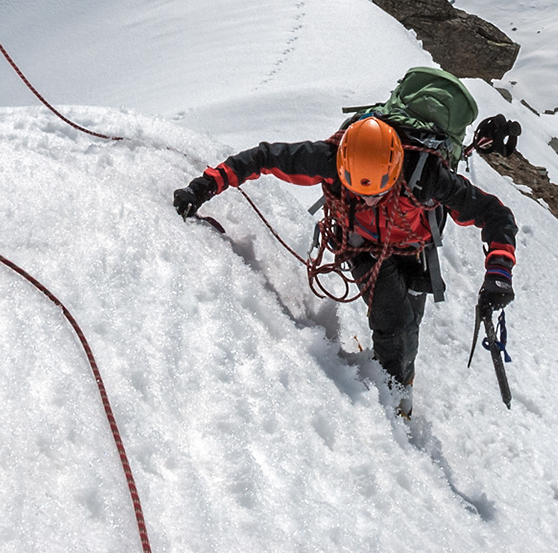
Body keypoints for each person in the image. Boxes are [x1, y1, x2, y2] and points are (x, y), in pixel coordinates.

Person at [172, 91, 521, 414]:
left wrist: (499, 275)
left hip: (413, 251)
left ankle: (400, 380)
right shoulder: (328, 158)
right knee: (393, 321)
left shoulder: (427, 174)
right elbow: (262, 158)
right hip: (361, 246)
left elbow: (496, 216)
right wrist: (203, 186)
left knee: (409, 325)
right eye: (361, 192)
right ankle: (395, 398)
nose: (368, 198)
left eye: (377, 193)